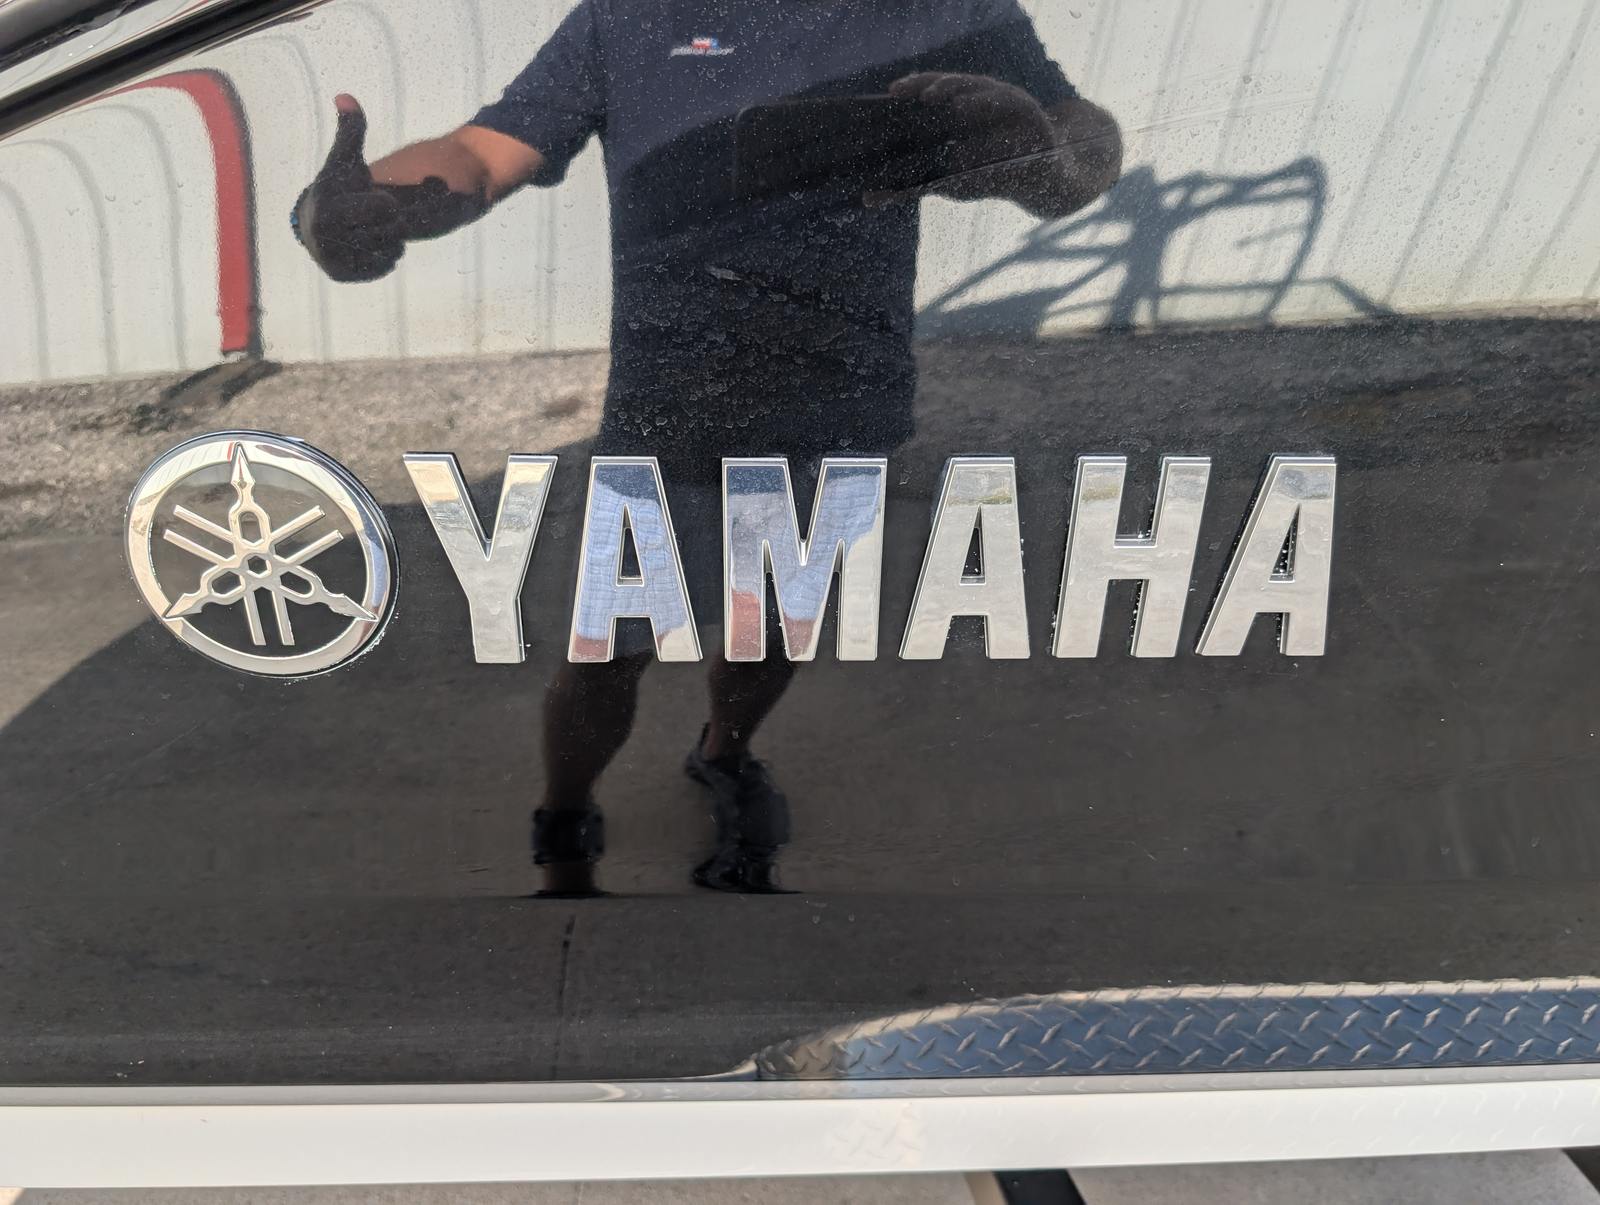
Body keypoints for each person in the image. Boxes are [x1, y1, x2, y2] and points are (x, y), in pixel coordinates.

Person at [293, 0, 1123, 896]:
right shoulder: (633, 15)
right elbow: (482, 153)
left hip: (843, 405)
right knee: (609, 649)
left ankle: (726, 752)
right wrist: (369, 203)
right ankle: (565, 804)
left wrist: (1041, 151)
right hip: (672, 413)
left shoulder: (948, 8)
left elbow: (1084, 149)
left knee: (776, 621)